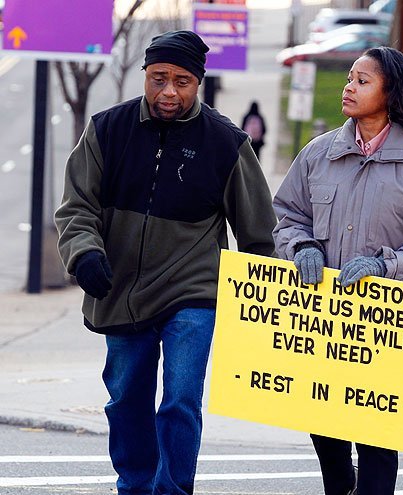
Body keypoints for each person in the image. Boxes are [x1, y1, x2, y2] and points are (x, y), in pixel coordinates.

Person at [55, 30, 277, 495]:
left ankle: (173, 490)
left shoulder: (227, 143)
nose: (169, 92)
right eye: (158, 79)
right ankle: (135, 486)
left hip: (194, 292)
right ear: (145, 76)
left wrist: (267, 306)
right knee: (126, 401)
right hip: (120, 290)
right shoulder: (106, 129)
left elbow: (259, 235)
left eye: (182, 81)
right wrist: (84, 252)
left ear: (198, 82)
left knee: (180, 399)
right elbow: (76, 207)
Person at [272, 46, 403, 495]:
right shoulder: (318, 154)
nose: (349, 87)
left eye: (363, 81)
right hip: (322, 323)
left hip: (383, 327)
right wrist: (301, 246)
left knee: (377, 441)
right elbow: (287, 217)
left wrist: (386, 265)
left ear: (391, 93)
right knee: (325, 429)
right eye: (350, 79)